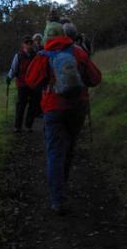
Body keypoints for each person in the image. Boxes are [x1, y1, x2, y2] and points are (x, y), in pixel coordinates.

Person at [26, 21, 102, 215]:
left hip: (53, 108)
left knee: (54, 152)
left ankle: (57, 199)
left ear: (45, 38)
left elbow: (31, 81)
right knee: (69, 148)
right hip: (78, 107)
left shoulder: (43, 56)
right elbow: (95, 78)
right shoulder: (77, 52)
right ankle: (63, 184)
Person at [6, 36, 36, 134]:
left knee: (32, 105)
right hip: (22, 84)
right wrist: (9, 77)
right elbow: (14, 68)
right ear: (23, 44)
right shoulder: (18, 56)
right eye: (27, 43)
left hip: (33, 84)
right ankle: (17, 126)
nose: (29, 44)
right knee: (21, 105)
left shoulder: (36, 56)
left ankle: (28, 126)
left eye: (30, 43)